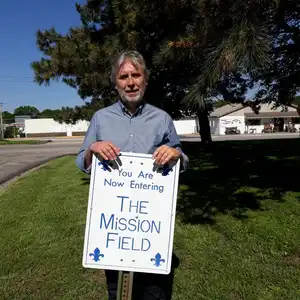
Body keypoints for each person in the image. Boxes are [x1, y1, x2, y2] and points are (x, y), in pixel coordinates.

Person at [76, 50, 189, 300]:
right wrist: (92, 149)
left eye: (135, 75)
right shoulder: (100, 118)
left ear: (145, 80)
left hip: (150, 223)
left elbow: (182, 159)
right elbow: (82, 161)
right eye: (123, 76)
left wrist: (175, 154)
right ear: (116, 83)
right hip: (114, 223)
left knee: (154, 290)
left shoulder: (162, 119)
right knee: (117, 290)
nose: (130, 82)